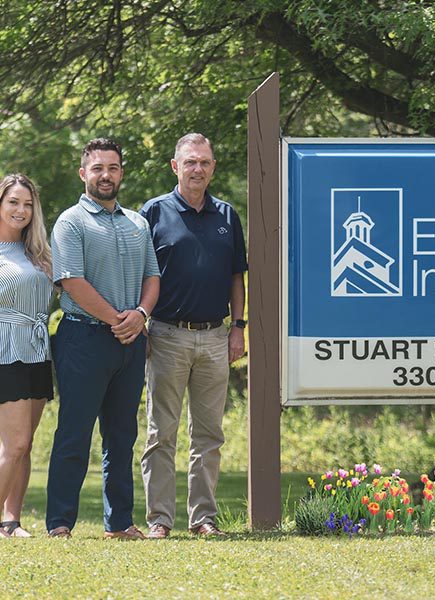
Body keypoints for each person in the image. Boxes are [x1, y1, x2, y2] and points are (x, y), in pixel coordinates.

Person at [46, 138, 160, 539]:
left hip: (130, 341)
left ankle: (120, 523)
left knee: (121, 436)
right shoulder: (70, 221)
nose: (105, 175)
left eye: (112, 167)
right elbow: (72, 282)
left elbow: (153, 276)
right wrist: (119, 319)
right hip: (83, 339)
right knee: (74, 434)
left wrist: (140, 315)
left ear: (121, 172)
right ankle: (60, 523)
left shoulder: (138, 222)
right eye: (97, 168)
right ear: (84, 173)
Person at [139, 133, 247, 538]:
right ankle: (160, 521)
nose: (197, 168)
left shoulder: (226, 215)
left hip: (216, 336)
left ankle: (203, 518)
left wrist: (238, 328)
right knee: (161, 432)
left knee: (208, 435)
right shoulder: (153, 212)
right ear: (175, 166)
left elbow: (237, 276)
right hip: (166, 334)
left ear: (212, 166)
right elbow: (138, 274)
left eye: (204, 161)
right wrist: (142, 327)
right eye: (190, 162)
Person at [0, 174, 53, 538]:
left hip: (37, 351)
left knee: (26, 445)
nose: (21, 210)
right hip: (6, 352)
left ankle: (11, 520)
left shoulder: (40, 253)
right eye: (13, 202)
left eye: (28, 204)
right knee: (14, 444)